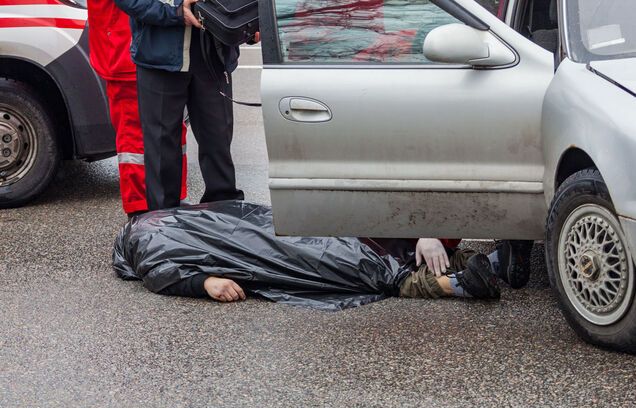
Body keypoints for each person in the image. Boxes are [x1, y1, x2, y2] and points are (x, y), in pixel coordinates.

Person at [113, 201, 532, 309]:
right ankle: (456, 279)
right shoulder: (150, 233)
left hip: (260, 238)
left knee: (335, 255)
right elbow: (161, 275)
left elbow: (159, 274)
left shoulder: (146, 236)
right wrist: (207, 282)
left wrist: (205, 282)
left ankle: (466, 273)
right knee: (339, 259)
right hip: (260, 244)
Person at [114, 0, 244, 211]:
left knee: (218, 144)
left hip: (213, 55)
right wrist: (174, 11)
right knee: (161, 151)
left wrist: (248, 20)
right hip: (158, 57)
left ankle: (226, 221)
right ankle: (163, 225)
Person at [86, 0, 188, 218]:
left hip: (148, 50)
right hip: (128, 52)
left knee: (169, 133)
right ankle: (142, 210)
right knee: (136, 140)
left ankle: (169, 204)